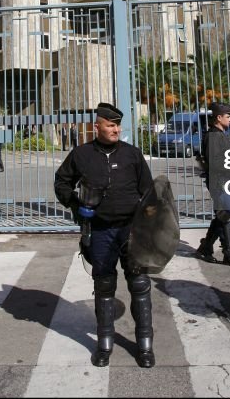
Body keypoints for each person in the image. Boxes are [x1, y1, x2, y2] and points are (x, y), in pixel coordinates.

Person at [54, 102, 155, 368]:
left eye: (118, 125)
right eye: (110, 125)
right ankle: (104, 343)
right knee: (104, 286)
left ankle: (145, 344)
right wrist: (75, 205)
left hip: (131, 230)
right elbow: (62, 181)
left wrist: (150, 224)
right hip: (100, 232)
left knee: (140, 284)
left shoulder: (132, 155)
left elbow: (149, 192)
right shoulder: (81, 155)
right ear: (96, 126)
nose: (115, 130)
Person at [195, 102, 230, 267]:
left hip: (225, 181)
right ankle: (228, 253)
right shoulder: (213, 136)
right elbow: (215, 162)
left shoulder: (220, 134)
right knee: (225, 214)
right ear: (218, 118)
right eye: (228, 116)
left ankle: (207, 247)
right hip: (219, 182)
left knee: (222, 215)